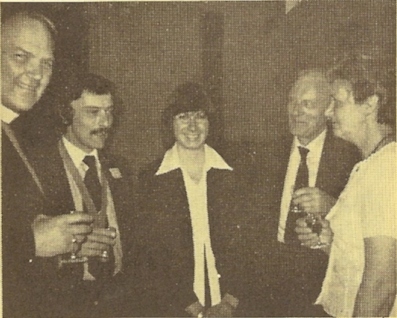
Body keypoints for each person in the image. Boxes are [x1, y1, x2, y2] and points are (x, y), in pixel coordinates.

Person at [1, 11, 95, 317]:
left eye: (46, 63)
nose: (36, 73)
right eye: (20, 57)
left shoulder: (16, 134)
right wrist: (31, 242)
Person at [134, 82, 249, 317]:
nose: (193, 126)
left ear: (210, 122)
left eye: (200, 116)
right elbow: (150, 254)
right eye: (183, 117)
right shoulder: (150, 179)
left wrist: (229, 302)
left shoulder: (235, 174)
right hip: (172, 307)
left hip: (232, 306)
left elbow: (249, 246)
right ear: (170, 123)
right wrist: (192, 308)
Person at [296, 52, 396, 317]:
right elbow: (361, 259)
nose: (328, 113)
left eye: (337, 103)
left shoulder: (386, 168)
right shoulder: (368, 166)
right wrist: (329, 241)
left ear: (370, 104)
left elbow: (381, 284)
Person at [255, 70, 361, 316]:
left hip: (322, 282)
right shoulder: (266, 154)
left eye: (308, 104)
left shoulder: (350, 157)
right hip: (269, 282)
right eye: (292, 102)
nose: (296, 111)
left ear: (328, 109)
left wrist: (331, 206)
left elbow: (368, 227)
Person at [30, 72, 135, 317]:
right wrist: (68, 252)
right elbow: (16, 253)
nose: (105, 122)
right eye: (92, 112)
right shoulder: (37, 169)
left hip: (119, 302)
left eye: (109, 111)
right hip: (63, 304)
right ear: (66, 115)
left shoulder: (121, 168)